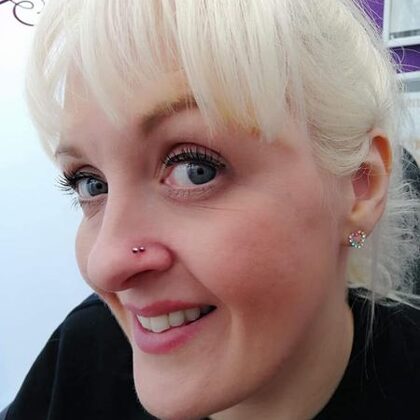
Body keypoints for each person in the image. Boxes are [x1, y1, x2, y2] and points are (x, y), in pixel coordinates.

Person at [4, 0, 420, 419]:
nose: (104, 265)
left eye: (194, 169)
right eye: (91, 184)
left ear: (359, 185)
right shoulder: (81, 355)